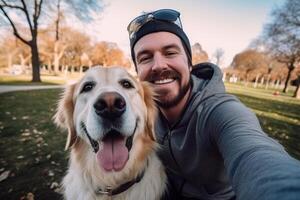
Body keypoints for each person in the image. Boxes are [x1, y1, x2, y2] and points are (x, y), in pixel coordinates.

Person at [127, 8, 300, 200]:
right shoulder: (140, 111)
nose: (158, 65)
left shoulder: (221, 111)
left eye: (170, 52)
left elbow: (255, 152)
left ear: (189, 63)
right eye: (145, 58)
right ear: (137, 71)